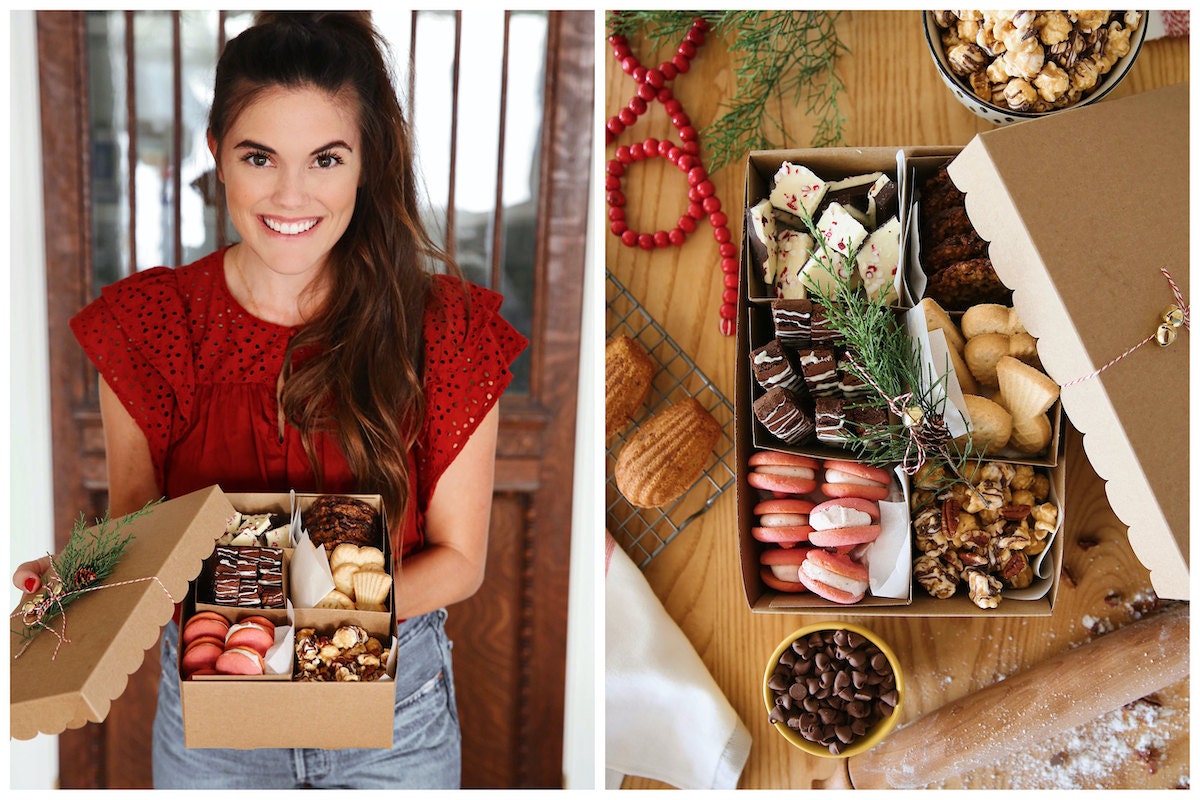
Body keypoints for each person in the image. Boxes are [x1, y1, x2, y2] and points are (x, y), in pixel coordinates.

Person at [13, 11, 526, 789]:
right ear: (217, 154)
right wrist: (79, 582)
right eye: (260, 157)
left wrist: (282, 603)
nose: (292, 194)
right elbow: (140, 526)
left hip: (394, 719)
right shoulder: (149, 327)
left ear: (365, 162)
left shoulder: (446, 329)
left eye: (326, 158)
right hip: (214, 723)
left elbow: (459, 562)